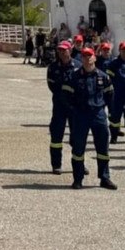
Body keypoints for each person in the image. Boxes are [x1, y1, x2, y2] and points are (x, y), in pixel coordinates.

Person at [65, 47, 116, 189]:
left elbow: (110, 96)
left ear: (94, 57)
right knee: (78, 149)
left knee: (103, 148)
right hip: (80, 116)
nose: (87, 59)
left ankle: (105, 178)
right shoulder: (74, 77)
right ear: (81, 59)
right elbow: (67, 97)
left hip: (98, 115)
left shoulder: (103, 76)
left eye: (90, 56)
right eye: (84, 56)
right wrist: (74, 110)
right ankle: (78, 179)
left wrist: (107, 111)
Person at [47, 41, 80, 174]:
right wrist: (64, 93)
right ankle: (56, 165)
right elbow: (52, 86)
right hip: (59, 106)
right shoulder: (53, 67)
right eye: (60, 50)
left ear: (70, 51)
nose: (62, 52)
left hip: (75, 107)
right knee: (56, 137)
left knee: (77, 137)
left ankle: (79, 164)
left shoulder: (78, 66)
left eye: (64, 50)